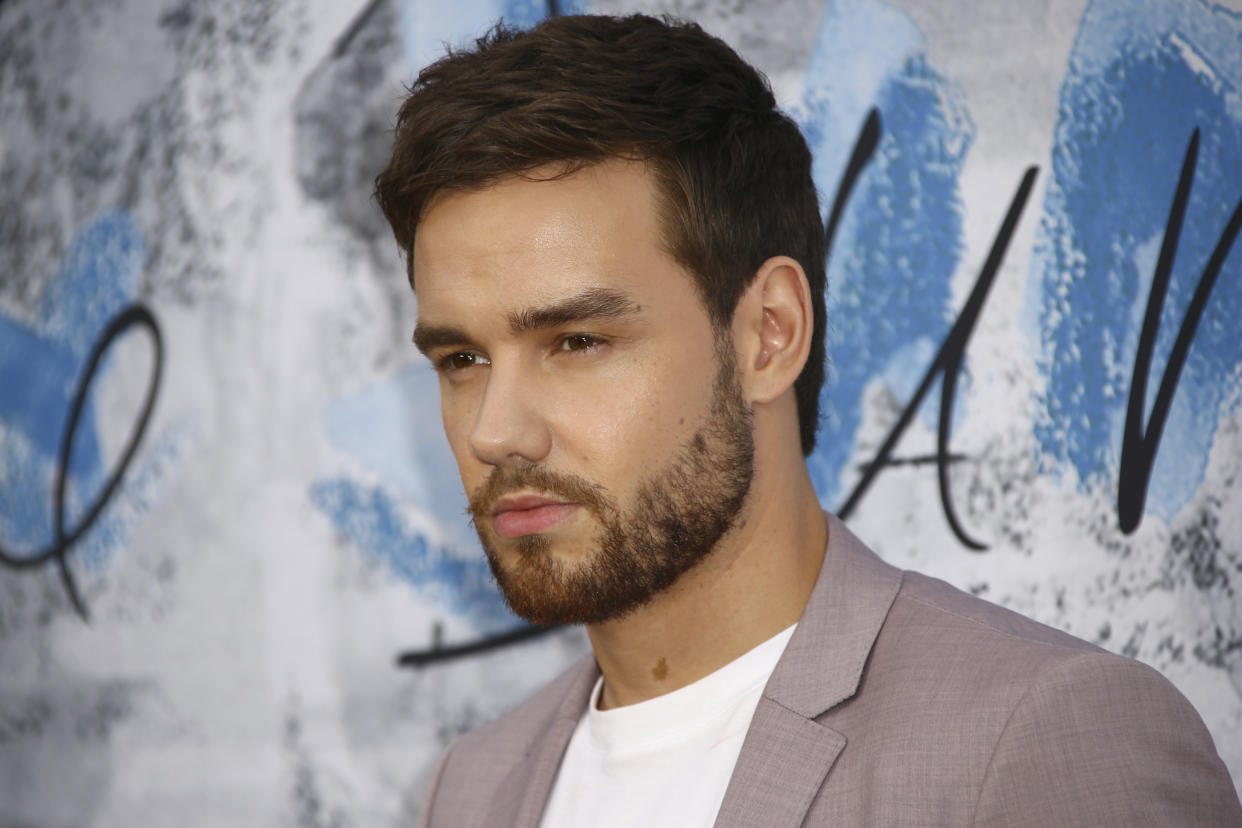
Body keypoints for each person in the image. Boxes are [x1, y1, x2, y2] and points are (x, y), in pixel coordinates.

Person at [374, 13, 1242, 827]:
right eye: (463, 360)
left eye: (577, 341)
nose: (495, 432)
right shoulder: (473, 788)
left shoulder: (1042, 739)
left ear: (768, 333)